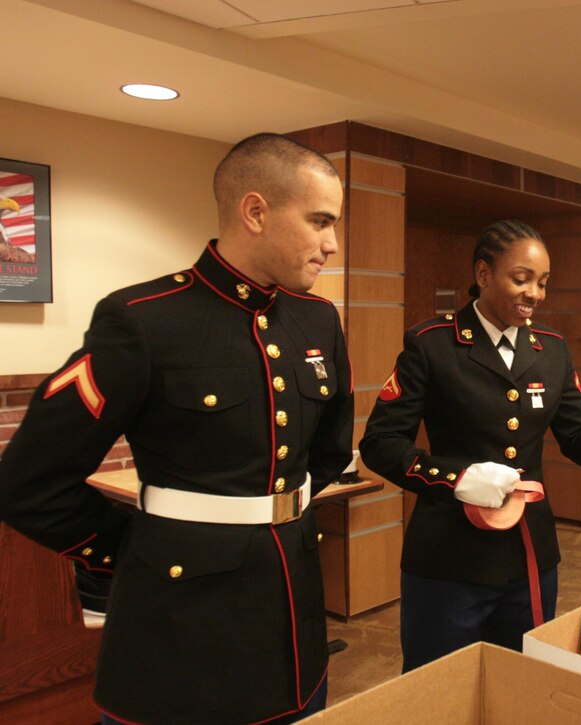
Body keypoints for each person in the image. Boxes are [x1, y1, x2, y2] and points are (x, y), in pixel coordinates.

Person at [0, 133, 354, 724]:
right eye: (320, 221)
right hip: (179, 625)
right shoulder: (145, 320)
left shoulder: (317, 321)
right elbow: (27, 482)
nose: (332, 244)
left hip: (291, 617)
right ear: (256, 211)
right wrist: (140, 548)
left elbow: (327, 451)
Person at [359, 219, 581, 671]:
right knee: (439, 687)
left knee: (517, 679)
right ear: (484, 274)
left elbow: (577, 437)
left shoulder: (551, 348)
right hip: (449, 556)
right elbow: (379, 443)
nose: (535, 293)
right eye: (522, 278)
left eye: (543, 283)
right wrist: (456, 477)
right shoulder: (432, 344)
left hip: (528, 553)